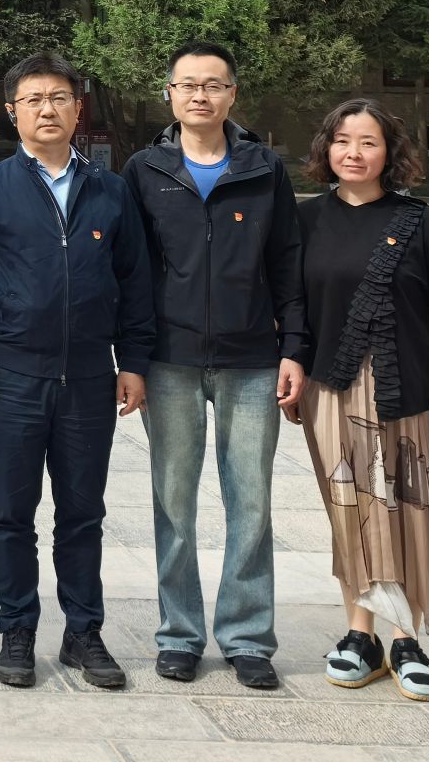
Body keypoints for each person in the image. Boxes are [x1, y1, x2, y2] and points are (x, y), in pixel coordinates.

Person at [0, 51, 154, 692]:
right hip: (12, 375)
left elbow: (136, 284)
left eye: (59, 98)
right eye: (34, 99)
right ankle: (17, 629)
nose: (47, 109)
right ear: (11, 111)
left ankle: (83, 632)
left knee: (82, 513)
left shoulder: (111, 190)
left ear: (77, 109)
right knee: (11, 513)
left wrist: (133, 363)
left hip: (90, 378)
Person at [122, 41, 306, 690]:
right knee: (173, 503)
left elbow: (288, 263)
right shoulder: (145, 169)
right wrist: (132, 359)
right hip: (169, 360)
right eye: (187, 84)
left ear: (232, 94)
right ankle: (179, 634)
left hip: (251, 360)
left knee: (250, 503)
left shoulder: (263, 168)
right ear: (169, 93)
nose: (199, 95)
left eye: (213, 85)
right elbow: (131, 272)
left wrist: (294, 349)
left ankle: (247, 637)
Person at [287, 100, 429, 702]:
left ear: (390, 152)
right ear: (326, 148)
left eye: (368, 142)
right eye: (343, 140)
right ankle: (358, 636)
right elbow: (293, 307)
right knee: (349, 509)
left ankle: (406, 640)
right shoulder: (306, 220)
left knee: (407, 508)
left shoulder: (422, 223)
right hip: (330, 390)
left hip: (407, 391)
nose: (354, 153)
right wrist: (292, 364)